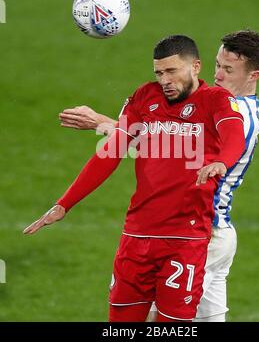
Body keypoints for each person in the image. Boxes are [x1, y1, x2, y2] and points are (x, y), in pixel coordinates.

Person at [24, 35, 245, 322]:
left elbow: (234, 137)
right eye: (159, 72)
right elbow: (109, 154)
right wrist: (64, 204)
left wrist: (221, 161)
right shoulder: (144, 97)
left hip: (185, 240)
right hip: (136, 237)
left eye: (172, 71)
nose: (164, 80)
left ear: (196, 67)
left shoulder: (216, 100)